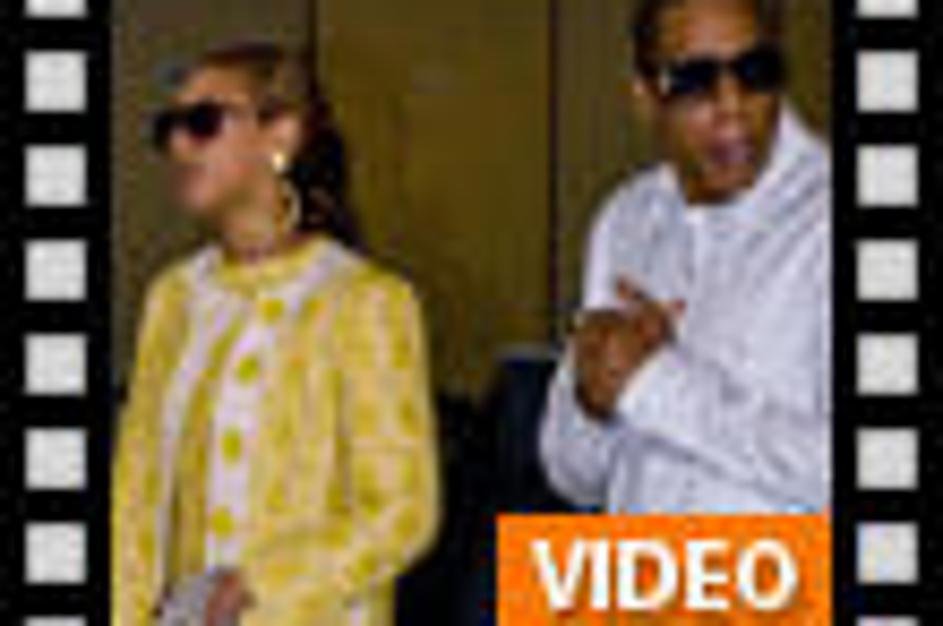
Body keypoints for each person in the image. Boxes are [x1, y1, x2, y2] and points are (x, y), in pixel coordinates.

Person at [112, 42, 440, 626]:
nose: (179, 145)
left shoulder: (365, 301)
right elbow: (135, 495)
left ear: (280, 135)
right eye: (169, 128)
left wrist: (257, 586)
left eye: (203, 123)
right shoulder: (174, 297)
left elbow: (402, 512)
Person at [540, 0, 831, 513]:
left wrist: (657, 385)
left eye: (755, 71)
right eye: (696, 80)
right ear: (645, 98)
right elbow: (573, 478)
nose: (732, 105)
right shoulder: (625, 219)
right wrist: (592, 401)